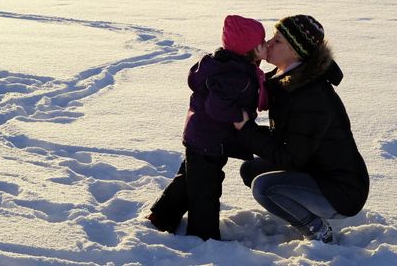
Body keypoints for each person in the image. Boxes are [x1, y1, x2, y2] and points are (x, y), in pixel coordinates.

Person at [234, 15, 369, 243]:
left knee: (264, 187)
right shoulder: (289, 79)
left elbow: (291, 157)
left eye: (277, 41)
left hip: (342, 191)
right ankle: (301, 206)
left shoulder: (310, 96)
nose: (268, 44)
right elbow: (284, 138)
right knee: (251, 170)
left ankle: (317, 229)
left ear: (296, 52)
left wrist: (248, 131)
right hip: (315, 168)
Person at [148, 15, 268, 241]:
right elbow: (216, 105)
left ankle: (162, 217)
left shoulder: (230, 65)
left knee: (189, 179)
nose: (267, 44)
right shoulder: (236, 75)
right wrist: (238, 115)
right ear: (247, 49)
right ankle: (203, 235)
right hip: (209, 141)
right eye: (261, 42)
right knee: (206, 189)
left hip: (204, 137)